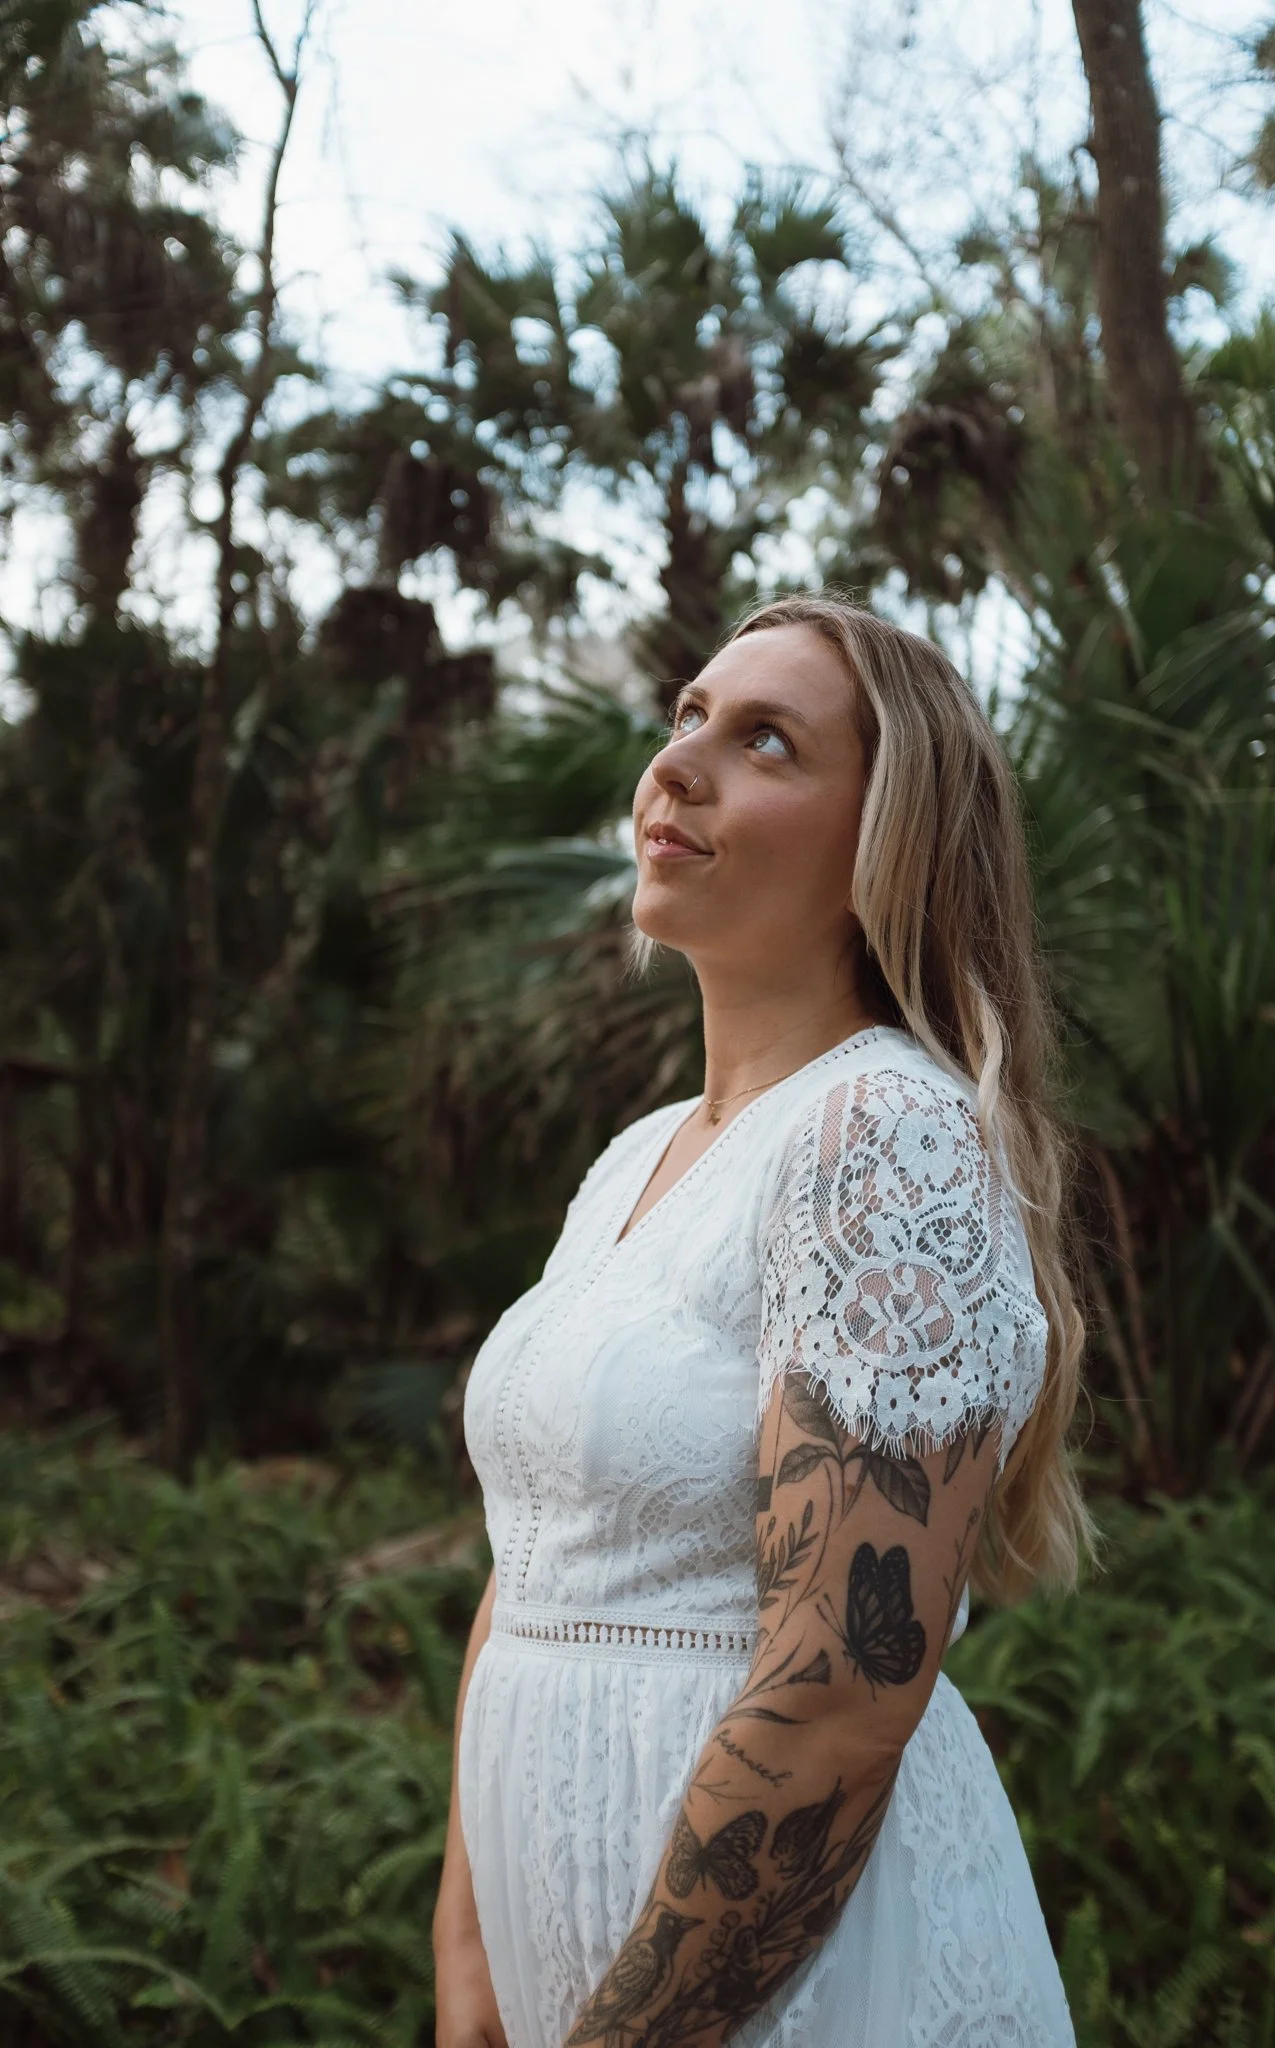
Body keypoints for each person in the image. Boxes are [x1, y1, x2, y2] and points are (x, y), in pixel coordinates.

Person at [432, 593, 1091, 2047]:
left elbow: (844, 1696)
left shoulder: (886, 1137)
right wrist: (469, 1945)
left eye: (766, 741)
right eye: (687, 719)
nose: (677, 765)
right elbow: (530, 1551)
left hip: (798, 1992)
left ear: (886, 850)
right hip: (562, 1971)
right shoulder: (633, 1160)